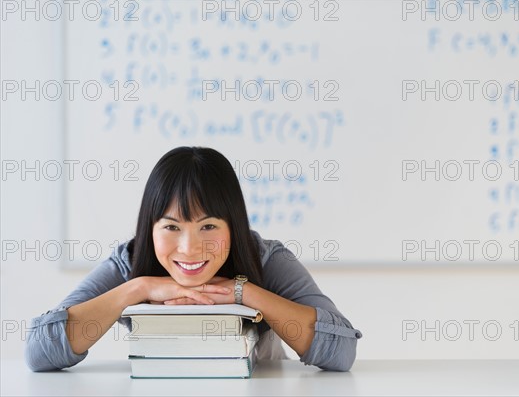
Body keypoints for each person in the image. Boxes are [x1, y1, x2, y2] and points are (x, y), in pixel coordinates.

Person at [25, 146, 362, 372]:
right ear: (150, 226)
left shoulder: (264, 258)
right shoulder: (130, 262)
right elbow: (40, 352)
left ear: (235, 224)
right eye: (172, 226)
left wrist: (242, 293)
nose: (188, 248)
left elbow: (341, 352)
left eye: (209, 226)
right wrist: (138, 288)